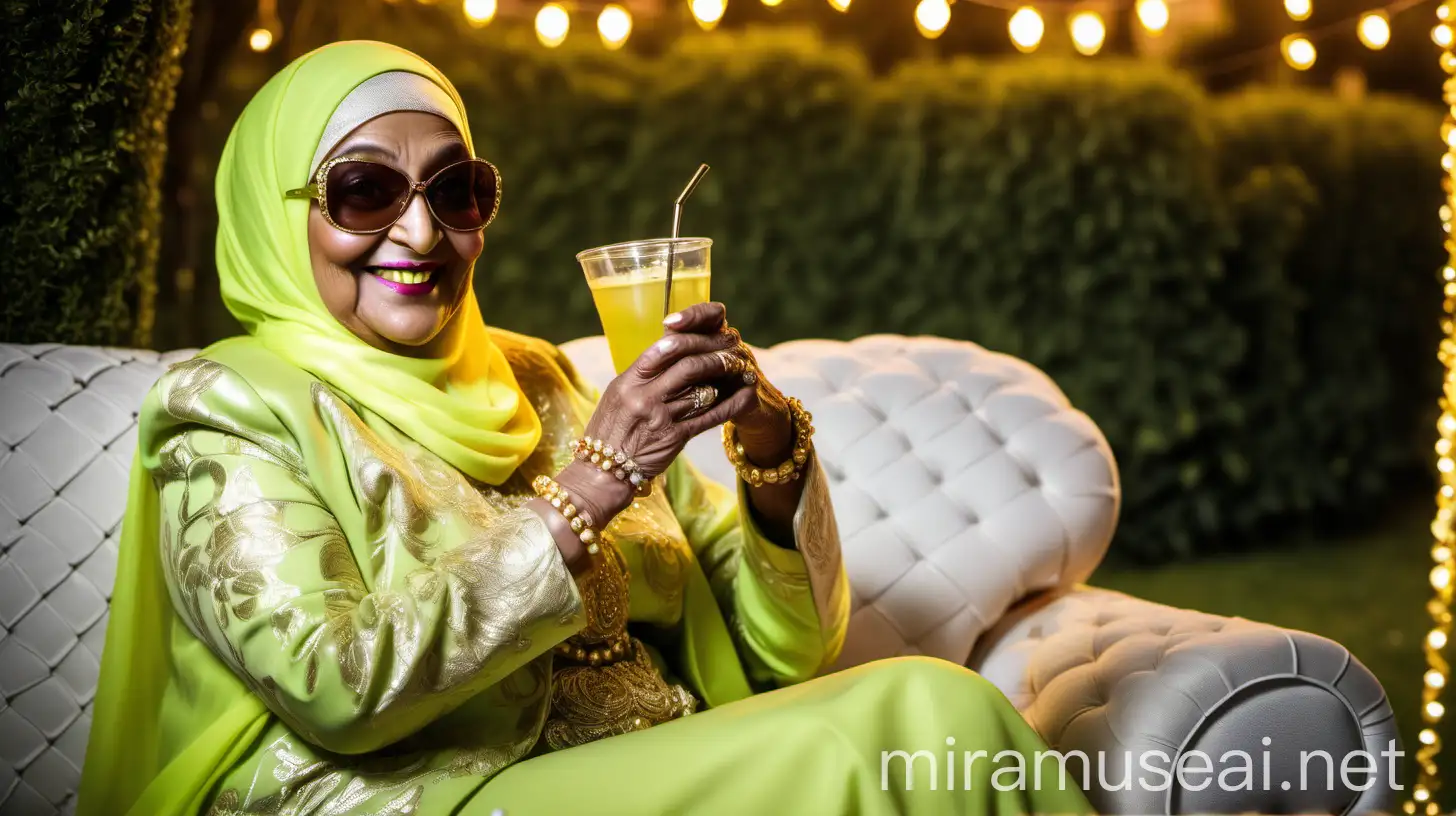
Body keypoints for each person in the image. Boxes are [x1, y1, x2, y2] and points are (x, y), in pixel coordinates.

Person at [77, 40, 1093, 816]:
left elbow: (785, 654)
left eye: (455, 190)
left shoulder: (541, 377)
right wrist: (594, 486)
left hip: (648, 764)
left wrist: (772, 462)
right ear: (274, 211)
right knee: (923, 717)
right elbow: (338, 687)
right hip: (429, 797)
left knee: (933, 718)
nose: (422, 232)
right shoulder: (230, 406)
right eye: (363, 191)